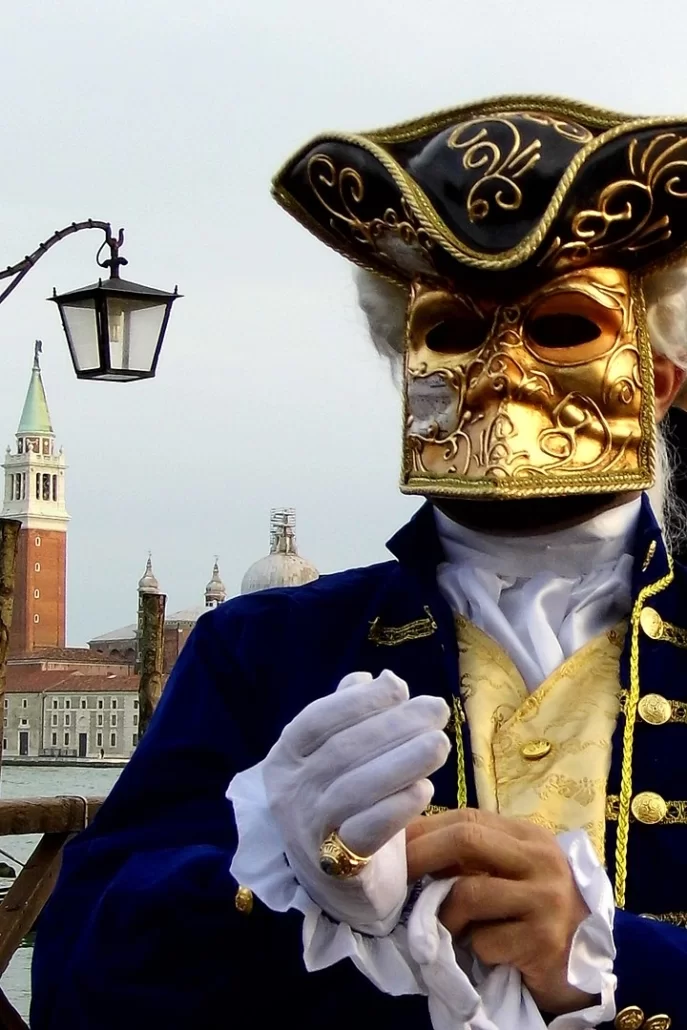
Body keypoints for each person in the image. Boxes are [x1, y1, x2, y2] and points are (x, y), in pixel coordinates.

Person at [30, 96, 687, 1029]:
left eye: (560, 326)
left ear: (658, 379)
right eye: (454, 331)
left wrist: (610, 959)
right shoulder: (263, 649)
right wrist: (268, 878)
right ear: (408, 373)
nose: (502, 371)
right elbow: (76, 989)